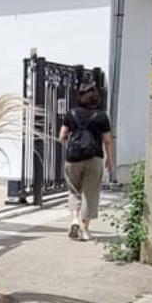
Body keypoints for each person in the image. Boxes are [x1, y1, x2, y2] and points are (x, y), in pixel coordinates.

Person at [59, 84, 114, 241]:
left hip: (73, 159)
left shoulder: (72, 113)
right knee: (90, 194)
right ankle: (84, 229)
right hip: (94, 158)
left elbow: (62, 136)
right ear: (95, 97)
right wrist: (110, 159)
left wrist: (70, 139)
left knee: (73, 191)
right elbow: (108, 141)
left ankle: (74, 219)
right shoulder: (102, 116)